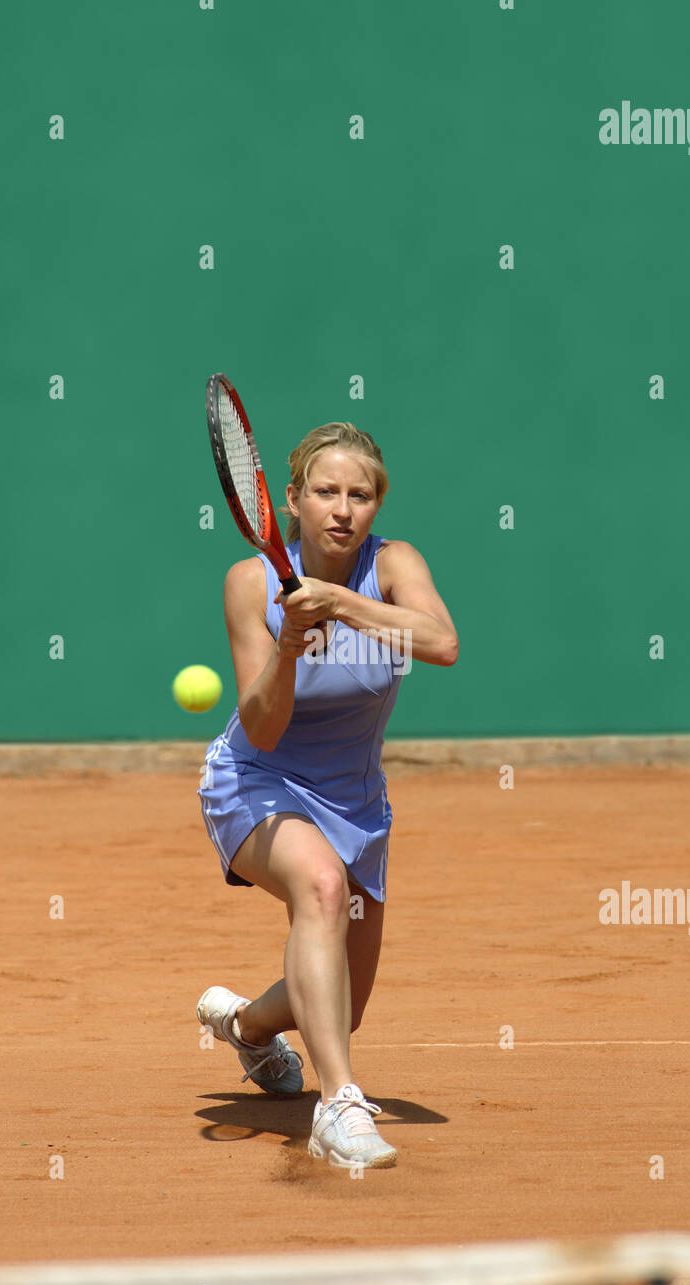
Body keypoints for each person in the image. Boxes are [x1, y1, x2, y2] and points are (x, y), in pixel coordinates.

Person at [196, 421, 458, 1169]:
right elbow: (264, 727)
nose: (343, 509)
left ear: (376, 506)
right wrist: (287, 643)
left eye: (360, 494)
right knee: (319, 883)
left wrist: (339, 605)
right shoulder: (250, 583)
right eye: (325, 492)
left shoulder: (394, 563)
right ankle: (339, 1106)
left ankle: (247, 1027)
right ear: (291, 502)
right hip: (256, 780)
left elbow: (441, 643)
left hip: (356, 802)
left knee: (345, 1005)